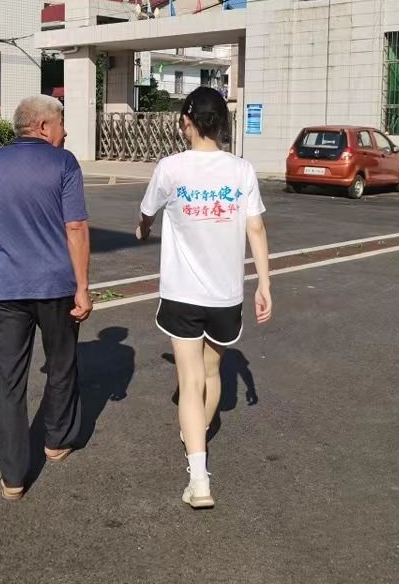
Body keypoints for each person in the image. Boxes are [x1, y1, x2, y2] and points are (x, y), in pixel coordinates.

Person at [136, 86, 272, 509]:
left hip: (182, 294)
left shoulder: (171, 168)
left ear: (186, 121)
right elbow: (256, 229)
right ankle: (198, 433)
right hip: (225, 296)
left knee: (189, 381)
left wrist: (143, 229)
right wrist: (264, 284)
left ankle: (199, 479)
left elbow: (147, 214)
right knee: (212, 373)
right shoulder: (241, 170)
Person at [0, 94, 93, 501]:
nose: (65, 132)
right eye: (61, 123)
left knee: (8, 380)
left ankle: (13, 478)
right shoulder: (64, 163)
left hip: (4, 288)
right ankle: (56, 442)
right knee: (61, 363)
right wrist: (83, 286)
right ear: (43, 126)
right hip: (55, 286)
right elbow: (75, 227)